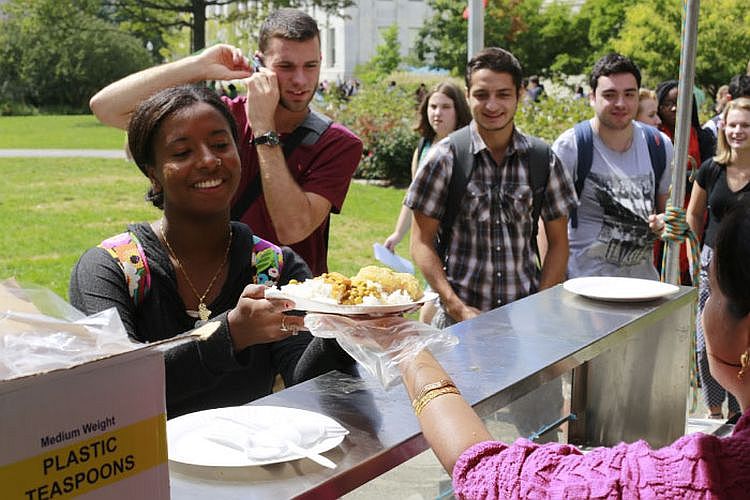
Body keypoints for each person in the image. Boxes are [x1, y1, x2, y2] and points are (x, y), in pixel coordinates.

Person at [358, 200, 750, 497]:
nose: (704, 304)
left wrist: (406, 347)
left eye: (711, 290)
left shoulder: (696, 478)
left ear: (745, 337)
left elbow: (490, 474)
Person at [70, 86, 353, 419]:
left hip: (249, 462)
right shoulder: (112, 270)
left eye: (220, 145)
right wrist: (229, 334)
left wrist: (343, 330)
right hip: (147, 468)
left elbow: (306, 380)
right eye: (182, 152)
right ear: (153, 173)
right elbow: (116, 387)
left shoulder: (274, 269)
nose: (208, 160)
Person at [89, 8, 363, 276]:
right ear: (260, 64)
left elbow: (292, 228)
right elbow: (107, 107)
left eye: (311, 66)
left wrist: (263, 128)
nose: (300, 80)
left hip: (290, 302)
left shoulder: (337, 143)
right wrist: (198, 66)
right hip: (206, 291)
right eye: (286, 67)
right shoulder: (218, 119)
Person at [406, 48, 577, 328]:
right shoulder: (446, 157)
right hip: (457, 322)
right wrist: (456, 305)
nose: (492, 105)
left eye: (503, 94)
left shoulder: (542, 159)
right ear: (468, 94)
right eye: (482, 95)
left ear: (520, 94)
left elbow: (558, 242)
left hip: (525, 322)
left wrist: (542, 305)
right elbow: (421, 242)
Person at [659, 97, 750, 420]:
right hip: (711, 264)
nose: (739, 131)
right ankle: (713, 411)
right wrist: (694, 256)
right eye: (733, 124)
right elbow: (694, 214)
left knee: (743, 347)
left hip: (745, 267)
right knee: (704, 342)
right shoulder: (712, 169)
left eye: (746, 125)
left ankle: (741, 412)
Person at [552, 53, 674, 280]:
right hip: (583, 289)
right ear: (592, 97)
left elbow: (665, 212)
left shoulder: (659, 145)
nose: (620, 103)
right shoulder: (571, 146)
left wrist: (663, 222)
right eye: (609, 95)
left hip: (641, 289)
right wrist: (552, 288)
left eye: (629, 94)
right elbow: (548, 223)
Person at [383, 82, 472, 324]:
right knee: (430, 308)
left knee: (430, 308)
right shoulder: (423, 147)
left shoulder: (467, 150)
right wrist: (398, 233)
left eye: (445, 107)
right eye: (433, 106)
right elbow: (413, 199)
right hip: (430, 242)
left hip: (455, 244)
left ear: (459, 111)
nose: (437, 113)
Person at [655, 79, 715, 283]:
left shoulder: (704, 137)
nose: (673, 108)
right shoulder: (653, 138)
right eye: (666, 104)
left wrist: (686, 181)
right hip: (663, 216)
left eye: (679, 103)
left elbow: (708, 177)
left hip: (696, 214)